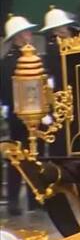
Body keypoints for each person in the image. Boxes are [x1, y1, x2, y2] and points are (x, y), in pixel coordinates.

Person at [1, 15, 38, 216]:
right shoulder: (9, 62)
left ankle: (34, 197)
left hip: (32, 113)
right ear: (17, 37)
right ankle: (15, 200)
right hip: (18, 115)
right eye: (26, 32)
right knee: (17, 157)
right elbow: (7, 90)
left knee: (34, 156)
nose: (30, 35)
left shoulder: (29, 56)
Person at [40, 6, 78, 92]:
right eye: (56, 29)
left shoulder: (79, 35)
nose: (59, 31)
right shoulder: (52, 46)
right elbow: (54, 69)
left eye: (62, 26)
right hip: (63, 86)